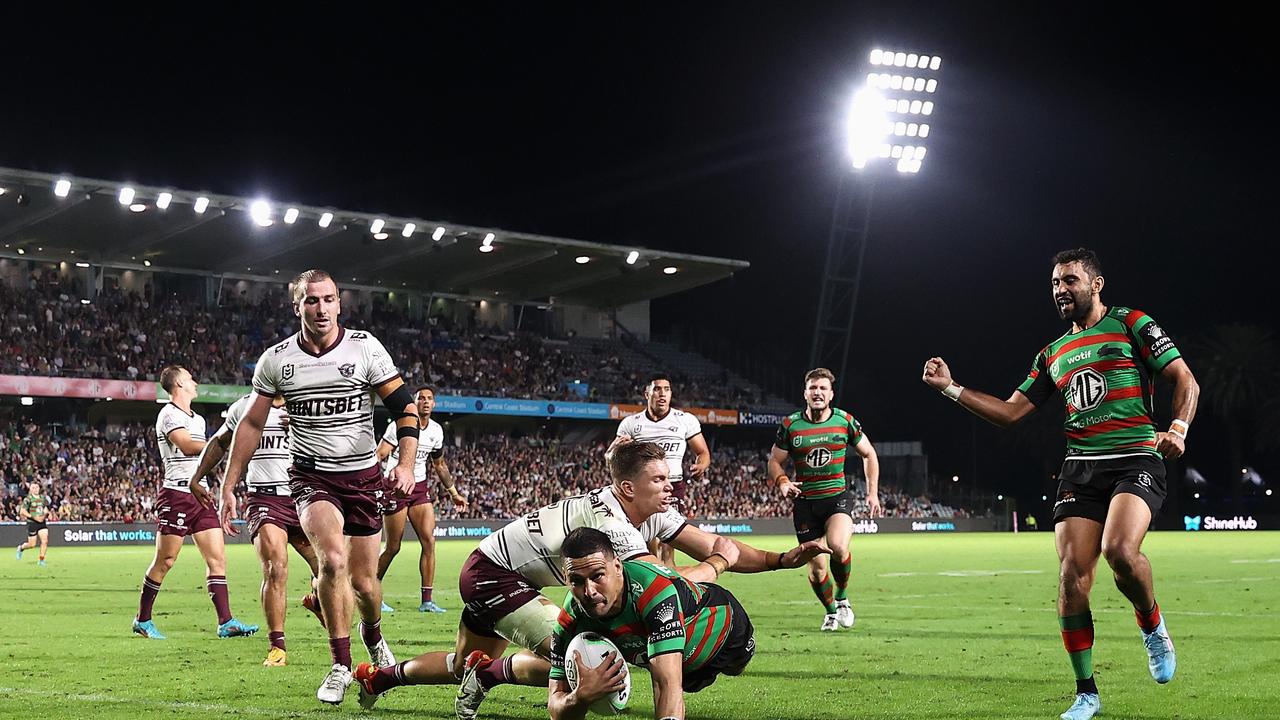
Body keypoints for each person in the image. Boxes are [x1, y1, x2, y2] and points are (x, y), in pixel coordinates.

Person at [351, 441, 825, 719]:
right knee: (585, 656)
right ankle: (492, 673)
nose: (670, 486)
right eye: (659, 479)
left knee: (459, 663)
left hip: (490, 568)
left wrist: (784, 558)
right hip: (494, 575)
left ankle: (380, 679)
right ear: (627, 488)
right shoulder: (612, 526)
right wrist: (718, 567)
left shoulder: (647, 512)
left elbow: (715, 546)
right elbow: (668, 582)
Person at [921, 248, 1199, 720]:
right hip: (1080, 469)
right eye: (1054, 283)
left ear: (1096, 284)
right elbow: (1011, 412)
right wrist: (951, 387)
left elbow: (1184, 378)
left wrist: (1177, 428)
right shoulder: (1051, 353)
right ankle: (1086, 692)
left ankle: (1151, 624)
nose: (1060, 289)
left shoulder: (1132, 323)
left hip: (1135, 458)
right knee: (1071, 576)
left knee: (1120, 552)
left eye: (1069, 280)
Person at [221, 269, 420, 705]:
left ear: (339, 304)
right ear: (297, 307)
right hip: (312, 478)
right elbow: (251, 422)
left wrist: (405, 465)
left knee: (366, 585)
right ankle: (340, 666)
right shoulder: (276, 360)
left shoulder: (365, 348)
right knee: (331, 561)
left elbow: (405, 408)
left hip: (364, 477)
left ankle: (374, 636)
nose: (321, 307)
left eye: (328, 299)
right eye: (311, 300)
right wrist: (229, 483)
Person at [547, 527, 756, 720]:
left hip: (724, 630)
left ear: (617, 567)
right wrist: (579, 697)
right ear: (565, 578)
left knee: (736, 668)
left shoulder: (654, 593)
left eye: (598, 575)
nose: (589, 591)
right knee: (687, 681)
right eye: (576, 581)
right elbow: (555, 708)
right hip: (682, 665)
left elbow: (666, 686)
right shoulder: (569, 620)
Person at [190, 392, 322, 667]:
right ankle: (277, 647)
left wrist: (304, 426)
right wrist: (197, 478)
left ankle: (318, 601)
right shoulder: (245, 407)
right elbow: (220, 441)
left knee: (329, 570)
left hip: (305, 496)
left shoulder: (306, 403)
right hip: (266, 498)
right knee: (276, 568)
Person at [132, 365, 258, 640]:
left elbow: (204, 457)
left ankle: (226, 622)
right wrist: (224, 442)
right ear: (178, 383)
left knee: (217, 559)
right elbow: (188, 446)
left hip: (200, 495)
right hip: (176, 494)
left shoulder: (198, 419)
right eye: (190, 378)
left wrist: (220, 449)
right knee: (166, 560)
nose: (195, 382)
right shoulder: (168, 414)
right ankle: (142, 619)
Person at [767, 367, 881, 632]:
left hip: (836, 498)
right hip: (805, 504)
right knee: (817, 569)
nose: (817, 392)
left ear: (831, 394)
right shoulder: (791, 425)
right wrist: (782, 481)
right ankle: (830, 612)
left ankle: (842, 597)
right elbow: (774, 460)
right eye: (813, 388)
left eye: (823, 388)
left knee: (838, 547)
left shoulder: (845, 421)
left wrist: (872, 492)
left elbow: (869, 454)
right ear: (805, 393)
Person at [374, 385, 467, 614]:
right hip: (395, 487)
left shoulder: (436, 430)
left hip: (419, 488)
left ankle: (427, 601)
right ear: (414, 402)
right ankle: (370, 591)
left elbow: (439, 464)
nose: (425, 401)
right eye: (421, 398)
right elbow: (380, 454)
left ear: (434, 404)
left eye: (429, 398)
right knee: (393, 547)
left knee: (429, 541)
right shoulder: (400, 425)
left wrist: (454, 493)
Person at [615, 374, 710, 566]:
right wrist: (618, 449)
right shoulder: (631, 424)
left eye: (667, 389)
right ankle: (651, 569)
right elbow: (616, 457)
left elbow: (703, 452)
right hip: (643, 487)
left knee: (669, 538)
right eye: (657, 389)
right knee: (647, 538)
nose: (662, 394)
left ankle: (668, 572)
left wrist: (701, 465)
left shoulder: (685, 420)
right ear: (647, 393)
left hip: (672, 484)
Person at [16, 481, 52, 566]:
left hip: (42, 522)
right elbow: (22, 511)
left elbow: (45, 508)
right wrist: (33, 517)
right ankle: (21, 548)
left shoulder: (43, 498)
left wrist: (47, 514)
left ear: (39, 488)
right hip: (32, 523)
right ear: (30, 489)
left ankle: (41, 560)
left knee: (45, 540)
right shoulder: (28, 499)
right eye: (33, 487)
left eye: (36, 487)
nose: (35, 489)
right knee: (32, 544)